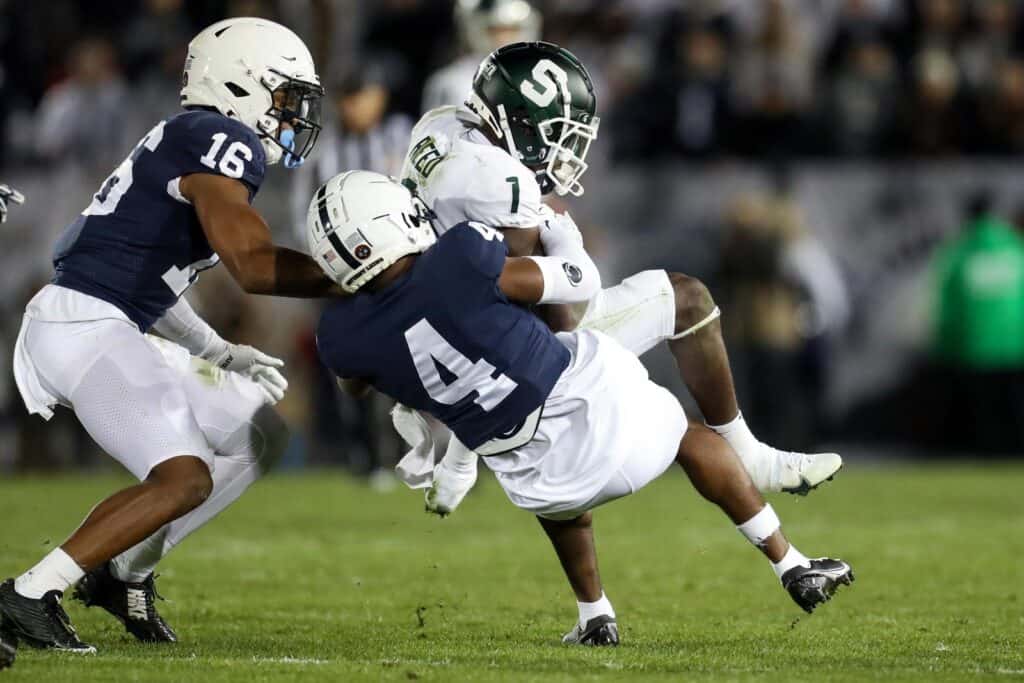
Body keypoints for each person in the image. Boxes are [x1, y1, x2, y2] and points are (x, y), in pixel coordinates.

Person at [310, 171, 855, 646]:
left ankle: (595, 614)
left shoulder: (340, 336)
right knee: (689, 435)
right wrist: (553, 225)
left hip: (539, 481)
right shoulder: (458, 258)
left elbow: (356, 384)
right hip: (602, 412)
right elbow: (573, 280)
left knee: (534, 458)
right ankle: (791, 563)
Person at [1, 17, 333, 654]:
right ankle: (28, 594)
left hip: (104, 317)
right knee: (183, 478)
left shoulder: (191, 139)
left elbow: (150, 280)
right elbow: (255, 266)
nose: (293, 115)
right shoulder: (219, 136)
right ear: (243, 85)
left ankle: (123, 572)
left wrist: (218, 350)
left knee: (259, 434)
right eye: (287, 96)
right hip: (84, 325)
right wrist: (358, 274)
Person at [400, 41, 842, 497]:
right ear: (518, 122)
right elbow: (560, 313)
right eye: (554, 133)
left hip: (442, 340)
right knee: (686, 301)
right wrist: (560, 233)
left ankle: (456, 456)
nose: (563, 149)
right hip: (512, 360)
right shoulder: (502, 183)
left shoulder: (441, 127)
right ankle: (751, 458)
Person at [421, 0, 541, 112]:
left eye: (511, 30)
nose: (504, 39)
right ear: (478, 31)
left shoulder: (544, 76)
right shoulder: (452, 83)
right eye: (495, 31)